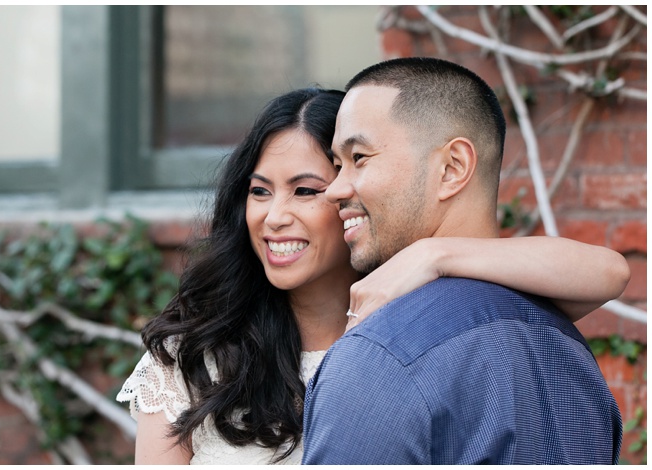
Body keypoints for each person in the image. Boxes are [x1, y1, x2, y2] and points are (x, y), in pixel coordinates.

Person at [116, 87, 629, 465]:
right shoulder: (192, 356)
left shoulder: (417, 326)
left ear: (348, 196)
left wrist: (434, 254)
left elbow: (607, 272)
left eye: (306, 190)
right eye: (259, 191)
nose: (273, 216)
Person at [302, 58, 624, 465]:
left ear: (452, 168)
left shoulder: (379, 355)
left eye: (359, 157)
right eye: (335, 165)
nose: (334, 189)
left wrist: (433, 254)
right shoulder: (566, 344)